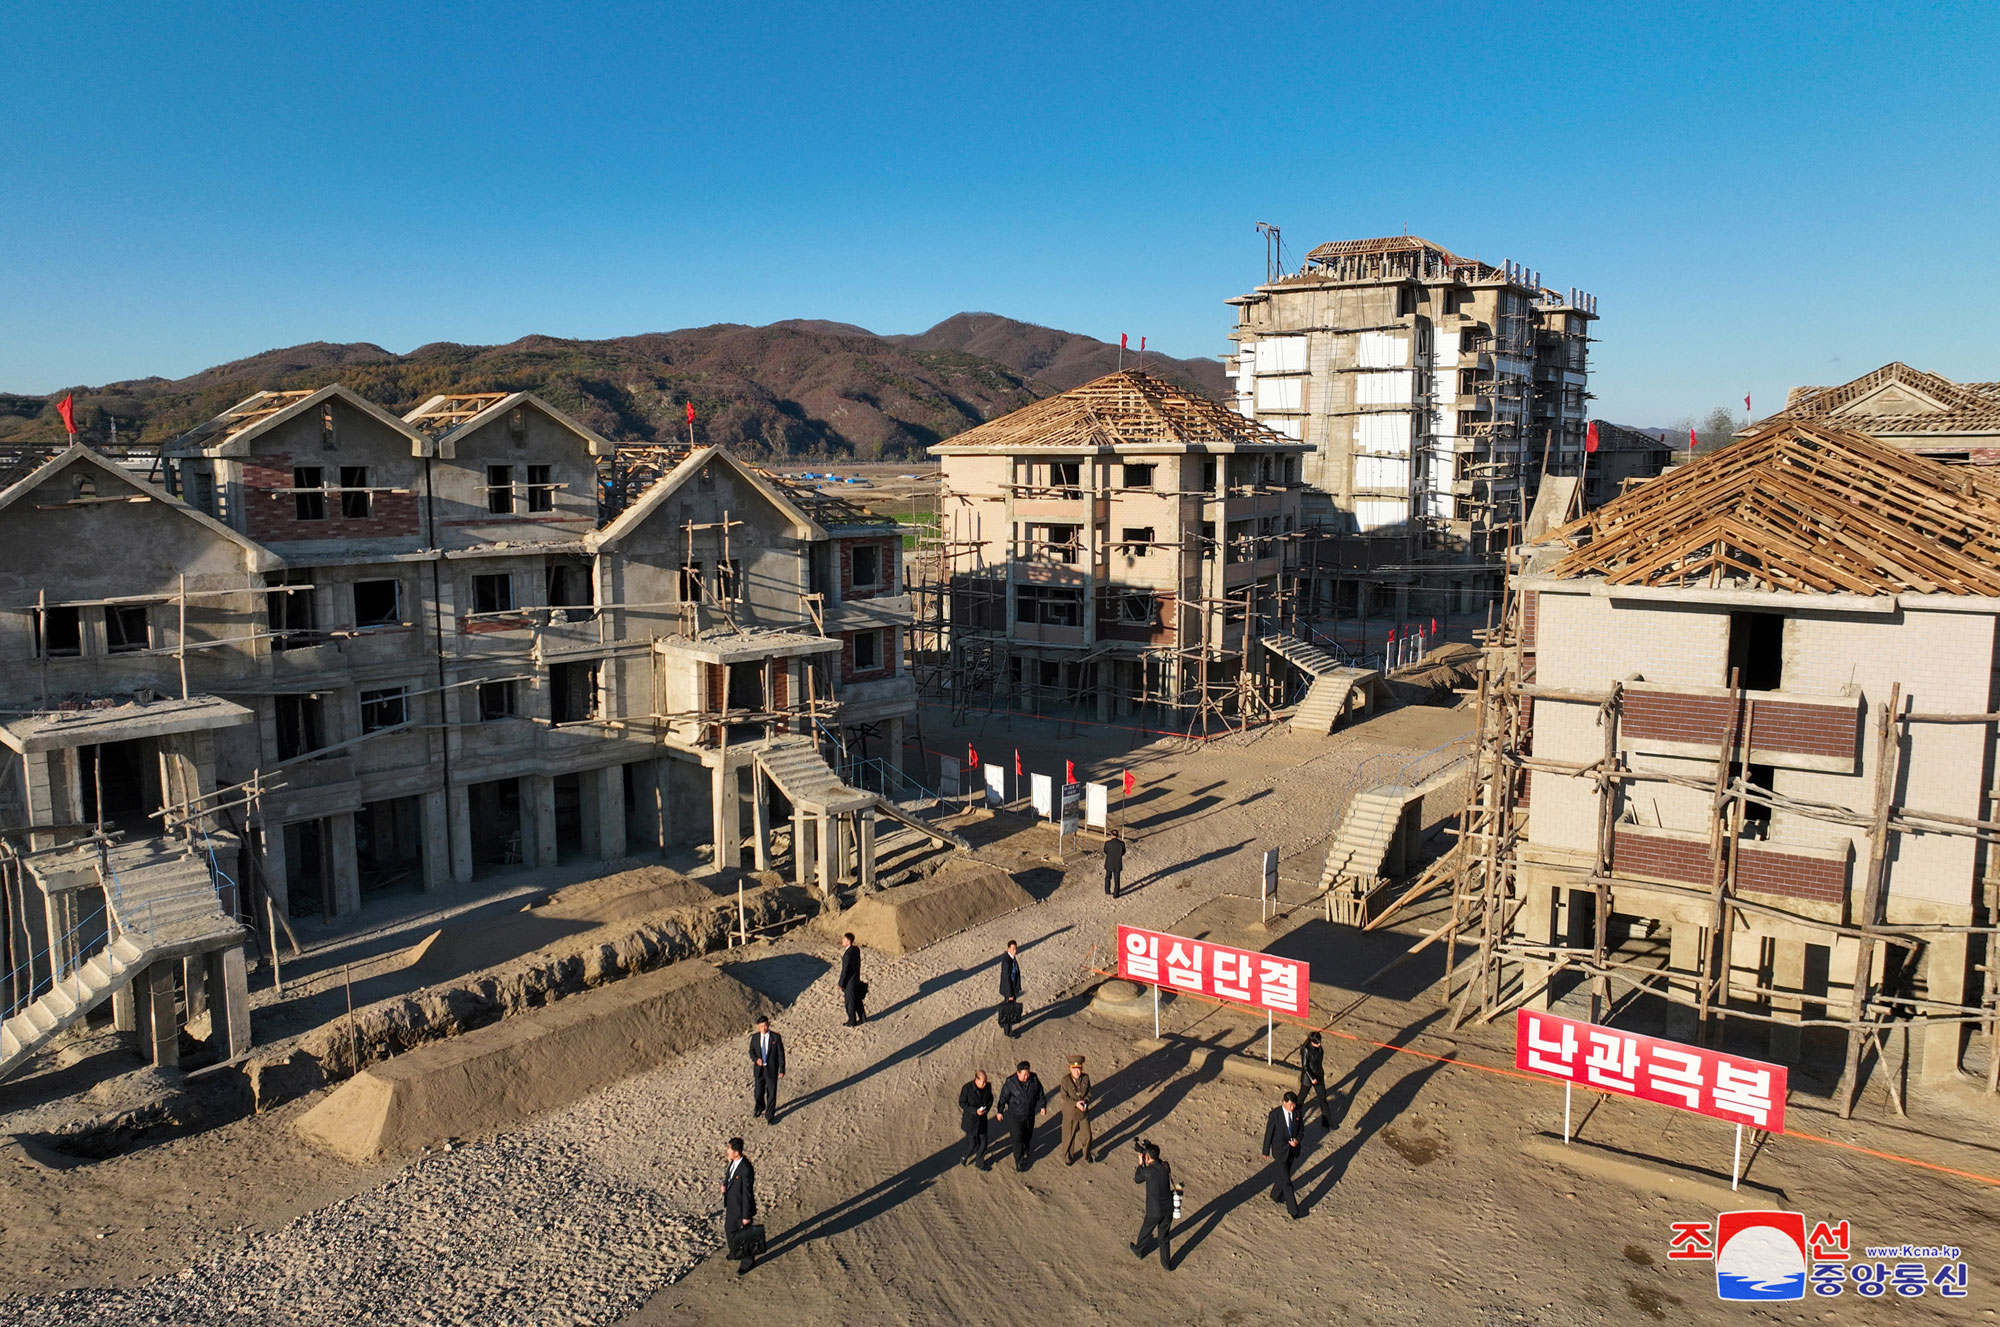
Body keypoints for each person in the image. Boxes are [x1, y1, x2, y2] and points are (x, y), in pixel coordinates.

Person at [996, 1060, 1047, 1172]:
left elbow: (1040, 1092)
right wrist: (1000, 1111)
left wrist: (1043, 1106)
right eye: (1024, 1075)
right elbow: (1003, 1097)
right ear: (1018, 1073)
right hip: (1016, 1117)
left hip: (1029, 1115)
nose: (1026, 1076)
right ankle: (1019, 1161)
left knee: (1028, 1134)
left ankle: (1026, 1148)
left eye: (1028, 1073)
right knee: (1017, 1138)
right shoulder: (1010, 1082)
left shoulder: (1034, 1079)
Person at [1261, 1090, 1305, 1219]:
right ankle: (1293, 1209)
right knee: (1287, 1181)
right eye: (1290, 1105)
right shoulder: (1275, 1115)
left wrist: (1297, 1140)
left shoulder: (1297, 1113)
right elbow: (1269, 1133)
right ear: (1284, 1103)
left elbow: (1301, 1129)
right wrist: (1265, 1151)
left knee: (1284, 1174)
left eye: (1294, 1105)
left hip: (1292, 1151)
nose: (1293, 1108)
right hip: (1280, 1151)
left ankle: (1275, 1194)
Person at [1131, 1140, 1174, 1270]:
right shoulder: (1164, 1166)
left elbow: (1138, 1178)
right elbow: (1156, 1162)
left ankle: (1139, 1250)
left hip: (1154, 1210)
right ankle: (1166, 1264)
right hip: (1168, 1209)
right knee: (1164, 1236)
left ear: (1147, 1157)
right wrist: (1147, 1152)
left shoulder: (1147, 1171)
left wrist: (1140, 1163)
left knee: (1146, 1230)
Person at [722, 1136, 759, 1274]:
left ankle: (748, 1261)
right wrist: (725, 1188)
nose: (727, 1151)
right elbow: (730, 1179)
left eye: (730, 1149)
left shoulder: (746, 1169)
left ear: (736, 1152)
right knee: (729, 1229)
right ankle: (735, 1252)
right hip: (732, 1205)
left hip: (742, 1208)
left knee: (745, 1236)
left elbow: (747, 1194)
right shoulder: (733, 1163)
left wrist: (746, 1216)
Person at [1055, 1055, 1094, 1165]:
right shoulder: (1065, 1080)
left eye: (1079, 1069)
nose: (1077, 1072)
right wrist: (1076, 1103)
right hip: (1070, 1113)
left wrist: (1085, 1101)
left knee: (1087, 1136)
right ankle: (1068, 1157)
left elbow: (1090, 1092)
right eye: (1075, 1069)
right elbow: (1064, 1097)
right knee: (1069, 1137)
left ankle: (1087, 1154)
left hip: (1083, 1112)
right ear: (1070, 1069)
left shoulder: (1086, 1078)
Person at [749, 1016, 786, 1125]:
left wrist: (782, 1069)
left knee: (771, 1092)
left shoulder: (776, 1037)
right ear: (758, 1027)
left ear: (768, 1025)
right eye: (761, 1026)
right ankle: (759, 1107)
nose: (763, 1028)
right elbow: (751, 1051)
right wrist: (756, 1060)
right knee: (758, 1092)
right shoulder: (755, 1038)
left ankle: (770, 1115)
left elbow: (780, 1054)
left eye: (765, 1026)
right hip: (759, 1070)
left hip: (771, 1069)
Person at [958, 1068, 994, 1169]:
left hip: (982, 1121)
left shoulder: (988, 1087)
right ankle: (965, 1156)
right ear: (976, 1080)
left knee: (984, 1142)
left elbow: (991, 1099)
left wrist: (987, 1108)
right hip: (971, 1122)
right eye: (983, 1082)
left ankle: (980, 1163)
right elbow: (962, 1103)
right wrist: (974, 1111)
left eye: (986, 1081)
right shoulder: (967, 1089)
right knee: (972, 1143)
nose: (985, 1084)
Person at [1298, 1030, 1330, 1131]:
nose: (1319, 1044)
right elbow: (1305, 1066)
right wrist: (1312, 1078)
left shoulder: (1319, 1048)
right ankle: (1296, 1117)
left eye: (1320, 1042)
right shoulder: (1306, 1050)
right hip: (1308, 1078)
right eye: (1317, 1043)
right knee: (1301, 1098)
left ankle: (1326, 1121)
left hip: (1319, 1075)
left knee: (1323, 1098)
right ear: (1312, 1042)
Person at [996, 939, 1024, 1038]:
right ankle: (1008, 1031)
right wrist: (1010, 994)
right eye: (1013, 949)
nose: (1015, 951)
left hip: (1012, 989)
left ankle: (1004, 1024)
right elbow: (1006, 978)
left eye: (1016, 949)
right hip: (1009, 990)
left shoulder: (1011, 958)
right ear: (1008, 949)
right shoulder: (1007, 961)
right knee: (1008, 1010)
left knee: (1008, 1009)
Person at [838, 932, 866, 1026]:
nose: (842, 941)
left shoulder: (847, 954)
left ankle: (852, 1021)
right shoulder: (856, 950)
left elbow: (845, 970)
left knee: (849, 1002)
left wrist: (841, 983)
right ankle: (862, 1018)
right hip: (856, 979)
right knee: (857, 999)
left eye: (844, 939)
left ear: (848, 941)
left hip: (849, 982)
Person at [1102, 831, 1126, 897]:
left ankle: (1107, 891)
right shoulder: (1121, 844)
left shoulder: (1107, 843)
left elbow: (1105, 851)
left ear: (1111, 835)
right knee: (1117, 880)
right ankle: (1116, 894)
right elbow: (1123, 852)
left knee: (1107, 877)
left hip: (1109, 863)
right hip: (1117, 863)